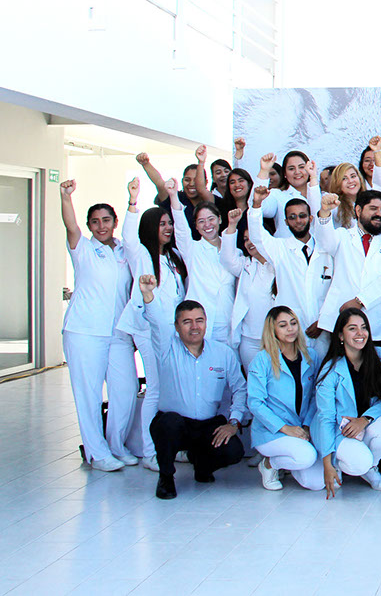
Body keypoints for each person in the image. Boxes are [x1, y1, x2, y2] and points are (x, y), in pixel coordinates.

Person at [139, 279, 246, 499]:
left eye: (199, 320)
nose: (194, 326)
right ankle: (166, 477)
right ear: (176, 326)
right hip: (176, 424)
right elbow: (156, 322)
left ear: (206, 322)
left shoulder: (223, 353)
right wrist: (148, 296)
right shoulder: (166, 348)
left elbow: (240, 389)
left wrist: (234, 422)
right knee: (167, 424)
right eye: (187, 322)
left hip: (207, 425)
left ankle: (202, 466)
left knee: (234, 449)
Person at [59, 180, 137, 472]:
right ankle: (97, 453)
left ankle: (116, 445)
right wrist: (66, 197)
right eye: (95, 221)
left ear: (115, 222)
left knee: (126, 390)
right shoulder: (83, 249)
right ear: (89, 225)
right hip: (84, 331)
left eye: (106, 220)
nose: (101, 226)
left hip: (118, 332)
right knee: (88, 394)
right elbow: (70, 227)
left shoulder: (125, 251)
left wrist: (132, 199)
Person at [119, 180, 188, 471]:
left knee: (172, 389)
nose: (168, 228)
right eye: (162, 224)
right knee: (156, 389)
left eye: (169, 223)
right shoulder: (141, 253)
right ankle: (149, 451)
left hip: (172, 331)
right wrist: (133, 201)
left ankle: (172, 446)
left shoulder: (173, 256)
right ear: (150, 227)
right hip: (148, 330)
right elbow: (128, 236)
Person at [311, 308, 381, 495]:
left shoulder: (379, 356)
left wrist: (365, 419)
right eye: (352, 328)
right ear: (341, 335)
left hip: (363, 425)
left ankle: (371, 467)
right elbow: (325, 418)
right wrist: (327, 464)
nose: (360, 333)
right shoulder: (331, 370)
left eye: (363, 327)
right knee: (359, 462)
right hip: (338, 431)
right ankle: (338, 463)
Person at [247, 185, 333, 355]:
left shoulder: (327, 248)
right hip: (292, 331)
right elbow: (257, 237)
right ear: (286, 222)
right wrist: (256, 205)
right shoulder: (279, 249)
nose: (298, 221)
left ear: (310, 218)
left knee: (323, 368)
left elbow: (336, 289)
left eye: (302, 216)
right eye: (292, 217)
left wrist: (324, 321)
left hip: (323, 329)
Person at [314, 190, 381, 346]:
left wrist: (361, 301)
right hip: (343, 321)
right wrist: (324, 212)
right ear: (358, 210)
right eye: (373, 209)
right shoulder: (342, 235)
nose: (379, 214)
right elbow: (325, 243)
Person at [247, 307, 322, 491]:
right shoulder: (262, 360)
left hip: (300, 429)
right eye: (283, 325)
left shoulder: (310, 356)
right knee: (306, 456)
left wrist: (307, 425)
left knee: (317, 483)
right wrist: (285, 428)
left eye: (293, 323)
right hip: (272, 431)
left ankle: (286, 462)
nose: (290, 329)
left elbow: (315, 395)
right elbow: (255, 403)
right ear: (272, 330)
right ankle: (269, 464)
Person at [166, 178, 236, 344]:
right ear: (196, 226)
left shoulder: (234, 250)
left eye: (211, 219)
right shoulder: (192, 249)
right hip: (201, 326)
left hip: (228, 324)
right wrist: (173, 196)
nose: (207, 225)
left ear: (220, 219)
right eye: (201, 221)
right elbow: (181, 228)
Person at [219, 208, 276, 369]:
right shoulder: (246, 265)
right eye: (245, 240)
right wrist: (232, 225)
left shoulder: (279, 263)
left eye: (252, 238)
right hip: (249, 339)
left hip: (276, 338)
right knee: (253, 381)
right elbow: (227, 259)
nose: (249, 243)